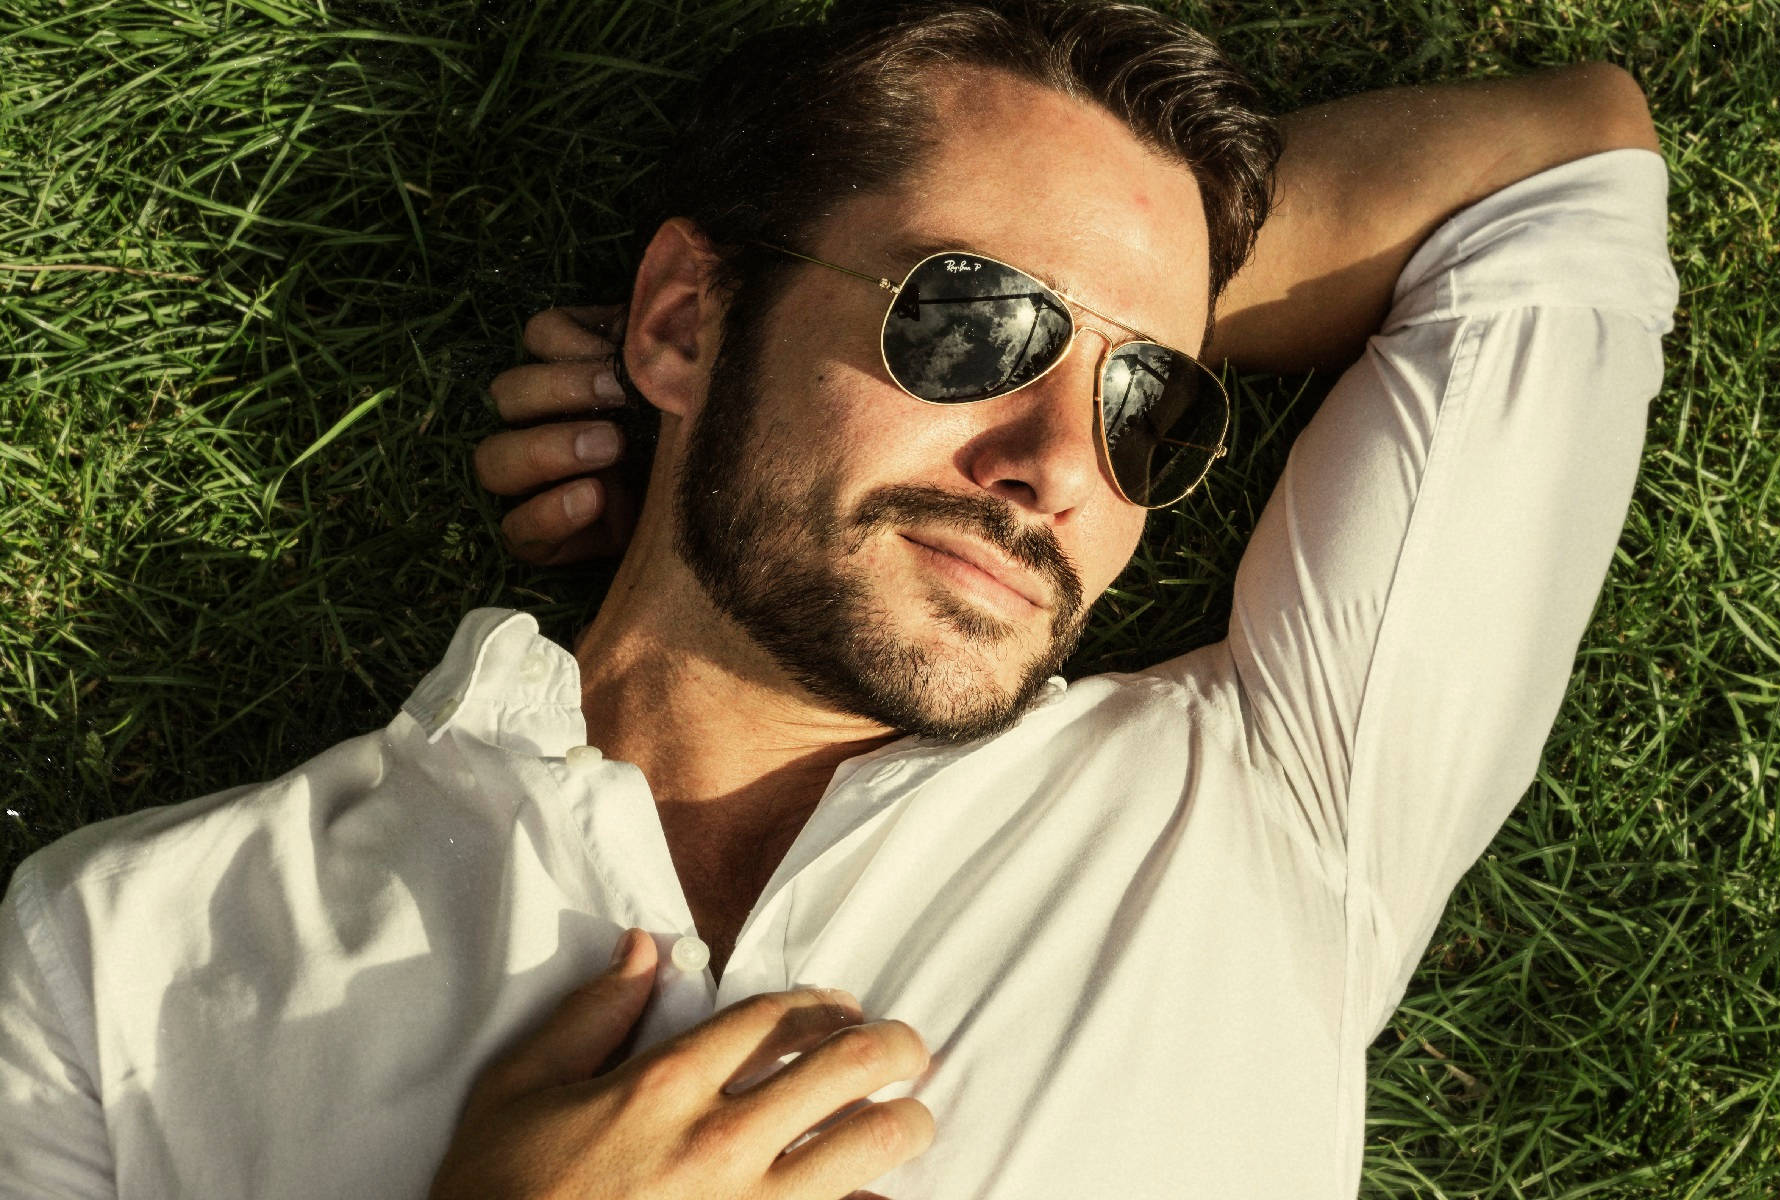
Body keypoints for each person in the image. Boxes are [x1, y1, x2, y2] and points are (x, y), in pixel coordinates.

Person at [0, 1, 1680, 1197]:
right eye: (969, 324)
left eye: (1142, 403)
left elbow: (1564, 161)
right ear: (676, 321)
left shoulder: (1294, 799)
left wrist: (1050, 301)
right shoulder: (112, 968)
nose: (1057, 468)